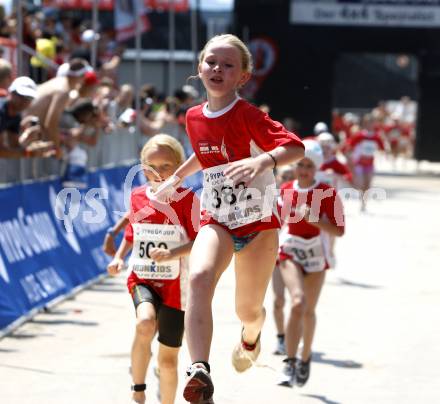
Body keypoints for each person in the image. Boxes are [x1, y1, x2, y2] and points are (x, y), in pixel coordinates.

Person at [151, 34, 305, 403]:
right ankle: (199, 370)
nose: (217, 69)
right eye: (211, 62)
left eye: (228, 65)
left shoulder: (249, 115)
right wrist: (175, 179)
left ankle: (252, 335)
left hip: (258, 225)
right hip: (217, 219)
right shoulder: (191, 116)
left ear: (243, 76)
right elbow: (205, 153)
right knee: (200, 277)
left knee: (247, 310)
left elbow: (295, 148)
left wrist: (261, 160)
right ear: (199, 68)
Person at [107, 134, 199, 404]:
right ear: (142, 166)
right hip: (143, 276)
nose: (158, 173)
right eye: (151, 166)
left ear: (180, 165)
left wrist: (172, 253)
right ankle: (138, 389)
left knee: (168, 362)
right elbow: (133, 234)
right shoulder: (137, 196)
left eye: (166, 166)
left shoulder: (187, 200)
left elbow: (199, 241)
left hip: (176, 286)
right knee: (145, 323)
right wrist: (119, 258)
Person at [277, 139, 345, 388]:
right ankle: (289, 362)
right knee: (297, 302)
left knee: (308, 311)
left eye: (309, 166)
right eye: (300, 165)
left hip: (317, 255)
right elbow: (277, 223)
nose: (304, 170)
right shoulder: (284, 189)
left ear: (316, 168)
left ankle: (305, 357)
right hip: (290, 251)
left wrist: (316, 221)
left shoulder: (328, 193)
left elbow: (339, 231)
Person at [25, 58, 89, 154]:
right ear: (81, 76)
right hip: (23, 130)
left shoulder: (59, 83)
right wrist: (57, 149)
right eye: (84, 76)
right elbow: (51, 124)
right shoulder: (63, 90)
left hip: (24, 128)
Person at [272, 164, 296, 356]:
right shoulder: (269, 200)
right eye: (284, 175)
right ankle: (281, 338)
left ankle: (295, 337)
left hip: (296, 256)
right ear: (277, 178)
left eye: (291, 176)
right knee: (279, 299)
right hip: (275, 256)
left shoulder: (301, 198)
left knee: (298, 301)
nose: (287, 179)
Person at [0, 76, 54, 158]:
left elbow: (14, 146)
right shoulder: (1, 111)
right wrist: (28, 152)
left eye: (29, 97)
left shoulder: (16, 117)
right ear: (11, 93)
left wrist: (29, 141)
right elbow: (1, 151)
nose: (25, 101)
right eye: (21, 96)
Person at [347, 114, 385, 212]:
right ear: (365, 123)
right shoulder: (359, 135)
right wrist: (351, 159)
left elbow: (382, 149)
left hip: (369, 164)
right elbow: (349, 147)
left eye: (372, 123)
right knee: (360, 184)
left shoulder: (376, 136)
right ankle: (360, 198)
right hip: (359, 163)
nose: (370, 125)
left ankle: (364, 204)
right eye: (368, 123)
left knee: (367, 185)